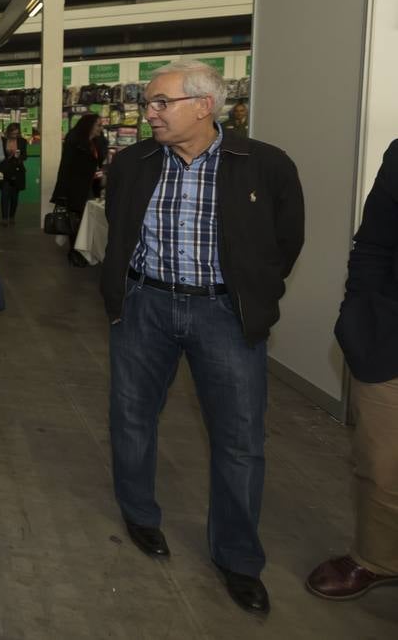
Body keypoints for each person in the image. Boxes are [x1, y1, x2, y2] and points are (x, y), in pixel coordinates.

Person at [102, 60, 304, 616]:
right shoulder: (134, 163)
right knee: (131, 418)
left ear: (204, 106)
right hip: (145, 306)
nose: (149, 113)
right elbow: (119, 227)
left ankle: (237, 558)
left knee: (240, 440)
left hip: (224, 314)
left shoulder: (264, 165)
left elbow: (286, 242)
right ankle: (139, 514)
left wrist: (251, 294)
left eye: (161, 102)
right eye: (149, 102)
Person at [307, 139, 398, 600]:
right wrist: (357, 314)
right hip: (390, 341)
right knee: (381, 463)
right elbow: (374, 245)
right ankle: (376, 558)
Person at [52, 113, 104, 267]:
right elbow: (65, 167)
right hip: (75, 188)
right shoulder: (74, 140)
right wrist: (62, 192)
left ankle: (83, 252)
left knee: (86, 220)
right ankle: (75, 253)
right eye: (98, 125)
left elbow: (97, 163)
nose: (101, 128)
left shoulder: (96, 142)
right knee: (76, 221)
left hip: (91, 186)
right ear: (89, 125)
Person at [0, 122, 29, 226]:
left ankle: (12, 216)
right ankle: (4, 218)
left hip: (17, 170)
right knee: (4, 194)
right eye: (12, 133)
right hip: (5, 170)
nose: (14, 136)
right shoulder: (2, 141)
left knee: (14, 196)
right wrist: (8, 156)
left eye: (16, 133)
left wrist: (18, 156)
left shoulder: (22, 141)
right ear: (8, 132)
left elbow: (25, 156)